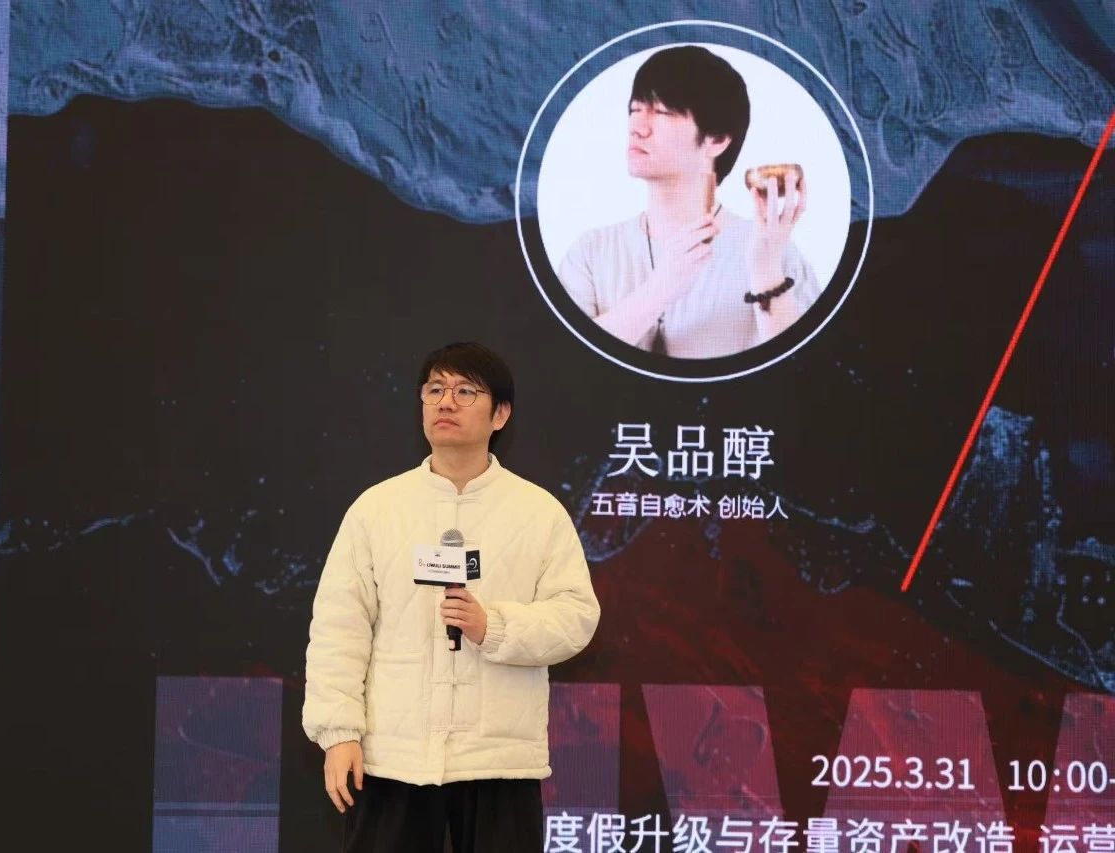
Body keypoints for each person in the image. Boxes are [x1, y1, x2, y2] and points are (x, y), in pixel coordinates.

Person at [302, 341, 601, 852]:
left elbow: (576, 616)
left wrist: (493, 627)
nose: (446, 402)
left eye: (465, 392)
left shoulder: (538, 513)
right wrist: (339, 732)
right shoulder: (378, 509)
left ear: (500, 414)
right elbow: (338, 628)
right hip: (393, 756)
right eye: (435, 390)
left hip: (500, 761)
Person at [557, 45, 819, 359]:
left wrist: (766, 271)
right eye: (635, 110)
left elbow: (804, 369)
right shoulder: (591, 251)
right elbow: (565, 363)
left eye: (662, 112)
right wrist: (660, 288)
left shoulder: (772, 251)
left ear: (717, 140)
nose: (637, 127)